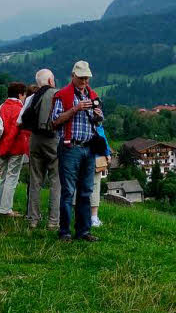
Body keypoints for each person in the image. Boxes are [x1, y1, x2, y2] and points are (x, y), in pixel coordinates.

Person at [51, 61, 103, 241]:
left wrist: (98, 116)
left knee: (86, 191)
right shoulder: (62, 95)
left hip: (88, 147)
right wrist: (75, 108)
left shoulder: (93, 94)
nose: (84, 81)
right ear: (73, 76)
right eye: (81, 78)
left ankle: (84, 231)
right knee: (68, 191)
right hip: (70, 147)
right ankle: (64, 231)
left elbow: (98, 122)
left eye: (86, 78)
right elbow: (55, 121)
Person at [25, 69, 61, 229]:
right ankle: (53, 221)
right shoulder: (56, 94)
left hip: (34, 139)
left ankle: (33, 219)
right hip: (52, 139)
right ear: (51, 81)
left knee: (35, 180)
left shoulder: (33, 97)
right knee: (55, 180)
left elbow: (22, 119)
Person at [0, 82, 30, 217]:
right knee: (12, 178)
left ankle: (0, 206)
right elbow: (15, 130)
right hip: (16, 147)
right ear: (20, 94)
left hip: (2, 146)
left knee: (3, 177)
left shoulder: (2, 107)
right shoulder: (19, 108)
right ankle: (6, 209)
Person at [90, 124, 112, 228]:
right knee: (94, 187)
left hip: (77, 154)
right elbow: (101, 134)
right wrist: (107, 153)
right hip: (95, 158)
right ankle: (94, 219)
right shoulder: (95, 112)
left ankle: (77, 216)